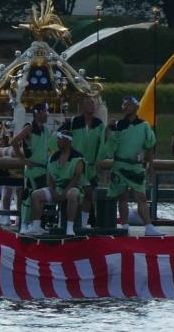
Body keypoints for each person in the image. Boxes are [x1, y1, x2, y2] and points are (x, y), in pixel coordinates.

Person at [104, 96, 162, 236]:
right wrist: (108, 130)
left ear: (136, 107)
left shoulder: (144, 125)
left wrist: (150, 165)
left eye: (129, 105)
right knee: (122, 197)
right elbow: (109, 148)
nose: (126, 107)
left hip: (136, 166)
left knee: (141, 197)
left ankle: (148, 226)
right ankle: (124, 226)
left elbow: (150, 146)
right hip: (119, 165)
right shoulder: (117, 125)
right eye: (124, 105)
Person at [25, 131, 85, 236]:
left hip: (73, 187)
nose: (57, 142)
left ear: (67, 141)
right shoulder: (53, 157)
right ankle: (36, 226)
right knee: (36, 195)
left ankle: (70, 228)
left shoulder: (78, 157)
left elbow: (76, 177)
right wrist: (53, 192)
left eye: (60, 139)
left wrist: (63, 193)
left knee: (72, 194)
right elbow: (49, 178)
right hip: (56, 188)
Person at [57, 97, 104, 229]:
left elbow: (103, 144)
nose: (92, 105)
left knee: (89, 195)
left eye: (93, 103)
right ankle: (64, 222)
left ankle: (83, 222)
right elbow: (58, 137)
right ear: (82, 107)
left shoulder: (98, 124)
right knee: (71, 194)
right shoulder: (73, 123)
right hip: (74, 165)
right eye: (88, 103)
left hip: (90, 166)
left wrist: (99, 159)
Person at [9, 102, 55, 230]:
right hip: (32, 168)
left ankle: (36, 224)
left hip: (43, 168)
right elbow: (14, 141)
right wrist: (23, 160)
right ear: (38, 113)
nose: (47, 115)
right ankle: (24, 224)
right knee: (28, 196)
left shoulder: (45, 130)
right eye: (45, 112)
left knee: (39, 197)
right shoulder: (29, 128)